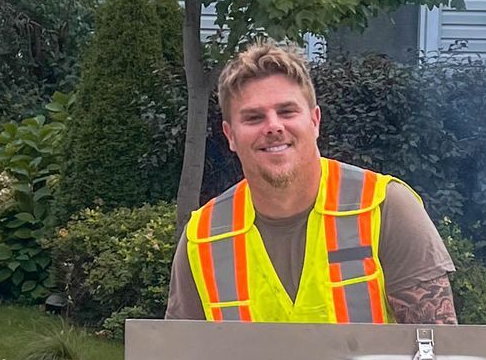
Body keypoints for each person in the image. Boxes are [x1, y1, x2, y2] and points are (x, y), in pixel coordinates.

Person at [166, 40, 457, 324]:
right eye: (254, 117)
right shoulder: (204, 235)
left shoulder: (384, 208)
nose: (274, 126)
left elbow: (436, 356)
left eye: (287, 111)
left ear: (315, 121)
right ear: (230, 135)